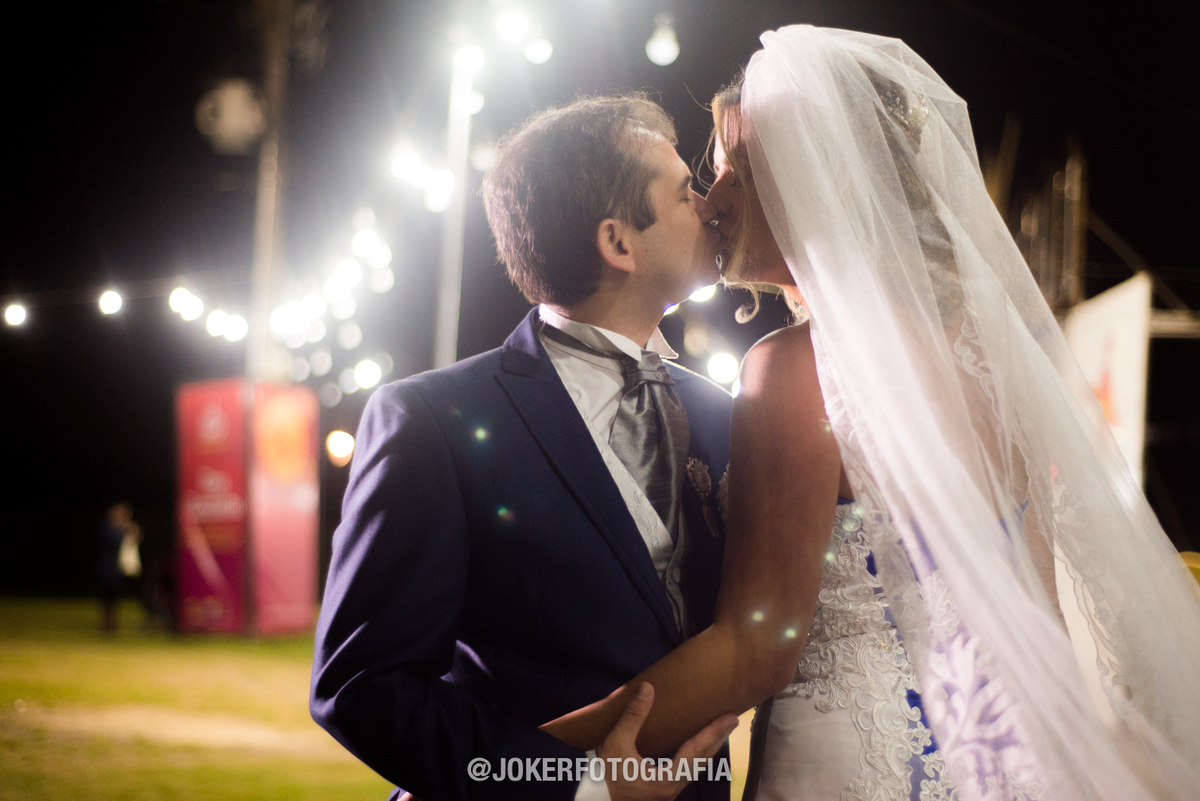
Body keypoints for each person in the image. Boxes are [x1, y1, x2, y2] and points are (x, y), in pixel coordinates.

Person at [541, 26, 1200, 801]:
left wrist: (518, 759)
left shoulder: (797, 368)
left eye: (732, 175)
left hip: (846, 767)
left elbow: (757, 646)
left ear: (808, 180)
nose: (711, 203)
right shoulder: (988, 360)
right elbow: (1039, 617)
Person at [311, 94, 741, 801]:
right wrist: (579, 784)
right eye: (684, 192)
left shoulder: (724, 416)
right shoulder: (433, 421)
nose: (710, 206)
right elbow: (363, 685)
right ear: (619, 242)